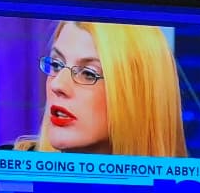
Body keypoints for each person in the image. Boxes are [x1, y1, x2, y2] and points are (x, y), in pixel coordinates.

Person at [14, 21, 187, 157]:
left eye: (88, 74)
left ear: (136, 97)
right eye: (56, 64)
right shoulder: (6, 173)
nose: (57, 85)